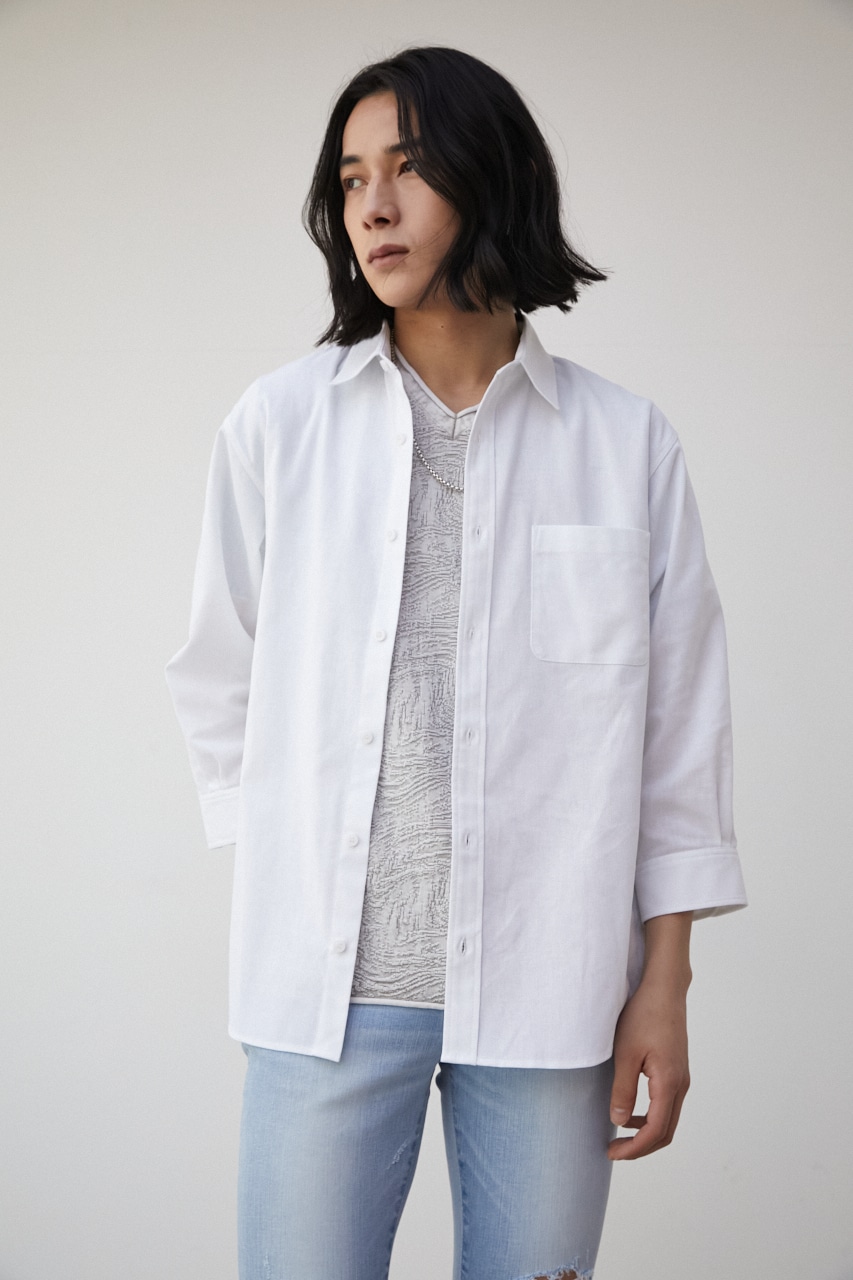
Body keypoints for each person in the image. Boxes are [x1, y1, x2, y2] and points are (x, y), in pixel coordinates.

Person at [165, 45, 747, 1280]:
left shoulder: (623, 444)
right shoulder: (280, 426)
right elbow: (217, 670)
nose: (372, 206)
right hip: (325, 996)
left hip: (551, 987)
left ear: (491, 178)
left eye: (410, 168)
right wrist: (289, 851)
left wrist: (665, 982)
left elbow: (679, 736)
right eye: (351, 178)